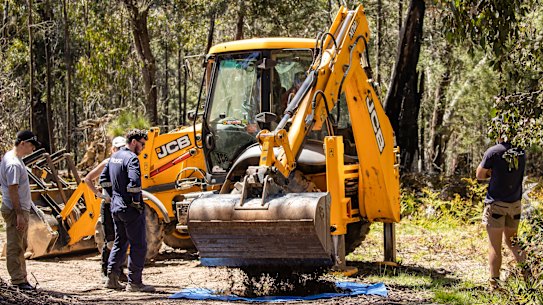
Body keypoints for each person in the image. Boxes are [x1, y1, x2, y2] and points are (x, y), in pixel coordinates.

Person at [99, 129, 155, 292]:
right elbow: (134, 183)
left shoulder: (114, 157)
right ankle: (135, 283)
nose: (143, 148)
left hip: (115, 208)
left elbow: (104, 179)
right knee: (139, 245)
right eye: (142, 144)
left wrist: (112, 197)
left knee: (120, 242)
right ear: (134, 142)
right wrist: (136, 202)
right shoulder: (131, 158)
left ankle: (112, 278)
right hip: (130, 209)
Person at [476, 136, 526, 290]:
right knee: (513, 242)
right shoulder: (521, 152)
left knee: (494, 246)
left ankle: (495, 285)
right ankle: (529, 276)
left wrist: (492, 172)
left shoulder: (493, 152)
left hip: (496, 205)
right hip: (515, 204)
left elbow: (479, 175)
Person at [0, 130, 41, 291]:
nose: (32, 149)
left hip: (20, 209)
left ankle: (22, 277)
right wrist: (18, 214)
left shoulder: (15, 159)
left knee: (21, 244)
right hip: (14, 210)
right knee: (15, 245)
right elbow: (12, 189)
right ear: (22, 143)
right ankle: (17, 280)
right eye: (31, 145)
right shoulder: (13, 164)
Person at [83, 136, 127, 280]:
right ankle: (105, 270)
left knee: (122, 239)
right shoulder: (107, 163)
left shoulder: (127, 163)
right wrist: (99, 194)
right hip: (108, 206)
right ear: (112, 149)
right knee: (110, 240)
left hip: (121, 206)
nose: (120, 151)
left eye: (122, 148)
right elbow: (88, 179)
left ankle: (118, 271)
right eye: (117, 148)